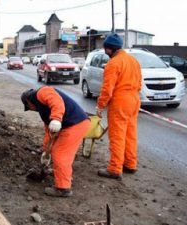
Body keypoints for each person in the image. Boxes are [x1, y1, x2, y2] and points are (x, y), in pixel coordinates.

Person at [21, 86, 91, 197]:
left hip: (76, 124)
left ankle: (63, 188)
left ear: (29, 103)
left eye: (29, 108)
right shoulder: (43, 110)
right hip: (72, 125)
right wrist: (46, 152)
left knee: (60, 154)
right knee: (57, 152)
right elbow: (49, 132)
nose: (33, 110)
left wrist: (56, 118)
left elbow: (57, 103)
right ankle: (62, 174)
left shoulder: (43, 92)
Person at [96, 34, 142, 180]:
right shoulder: (133, 61)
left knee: (117, 135)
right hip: (134, 99)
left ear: (109, 48)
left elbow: (107, 88)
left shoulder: (114, 63)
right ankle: (130, 164)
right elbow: (140, 82)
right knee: (130, 133)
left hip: (120, 100)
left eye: (105, 48)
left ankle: (115, 168)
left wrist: (100, 105)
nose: (105, 52)